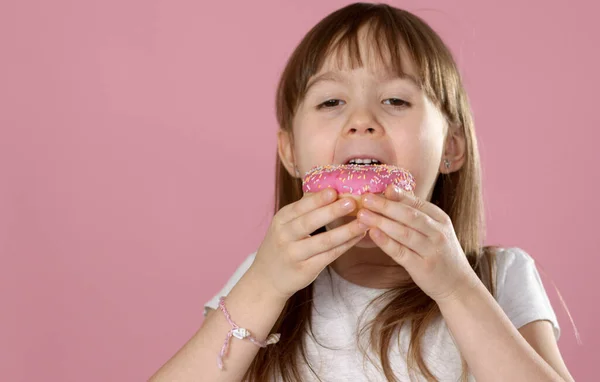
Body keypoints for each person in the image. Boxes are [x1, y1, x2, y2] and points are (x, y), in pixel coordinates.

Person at [150, 3, 574, 381]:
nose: (362, 120)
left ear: (451, 147)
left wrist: (455, 288)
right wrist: (264, 284)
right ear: (291, 153)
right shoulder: (263, 277)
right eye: (331, 102)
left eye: (395, 99)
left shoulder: (498, 277)